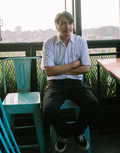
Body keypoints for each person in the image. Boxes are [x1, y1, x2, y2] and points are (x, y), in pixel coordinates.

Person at [42, 11, 98, 153]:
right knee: (48, 108)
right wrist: (73, 65)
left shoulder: (81, 42)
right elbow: (49, 71)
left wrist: (59, 69)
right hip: (55, 84)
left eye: (70, 23)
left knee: (92, 103)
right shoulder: (48, 43)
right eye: (63, 23)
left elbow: (85, 68)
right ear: (56, 26)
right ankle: (65, 134)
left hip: (76, 83)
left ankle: (78, 131)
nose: (67, 26)